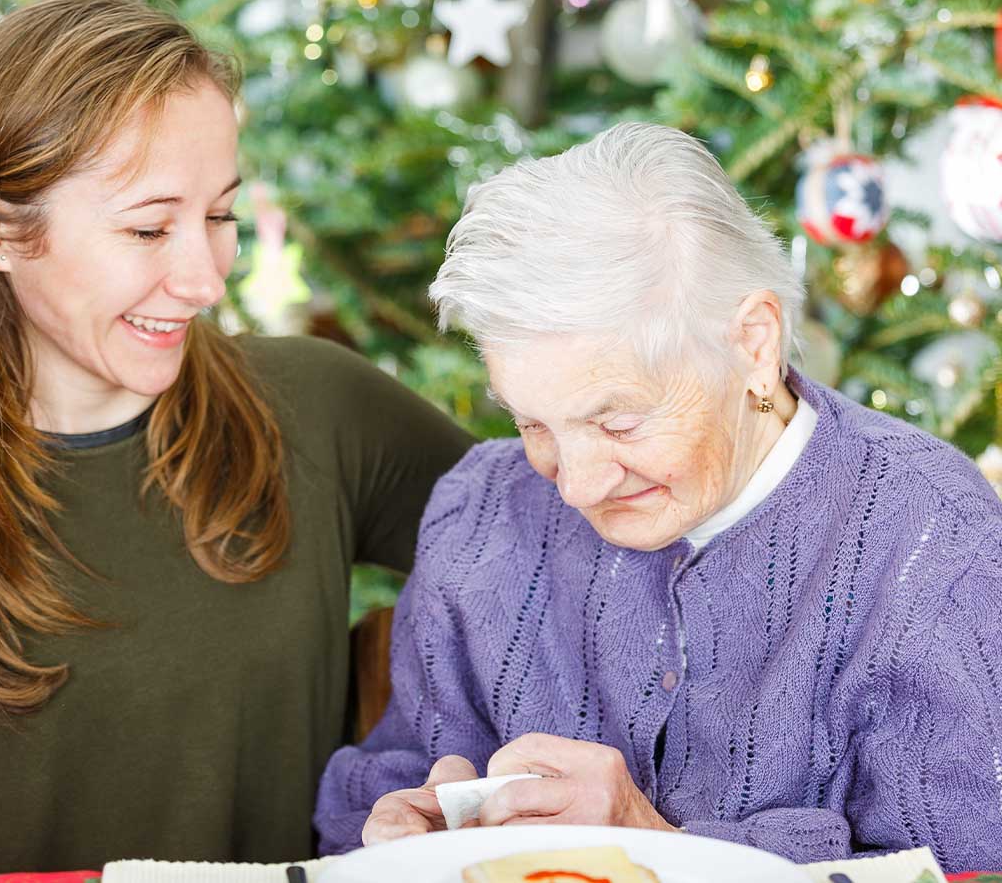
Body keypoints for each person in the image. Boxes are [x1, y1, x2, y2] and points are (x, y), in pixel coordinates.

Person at [0, 0, 473, 873]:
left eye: (221, 216)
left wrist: (466, 759)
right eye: (149, 228)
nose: (203, 280)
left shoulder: (322, 412)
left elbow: (580, 545)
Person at [314, 123, 1002, 872]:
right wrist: (393, 831)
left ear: (753, 345)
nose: (575, 486)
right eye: (531, 423)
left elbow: (969, 865)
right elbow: (383, 782)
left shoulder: (937, 543)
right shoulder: (481, 507)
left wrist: (661, 848)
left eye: (618, 422)